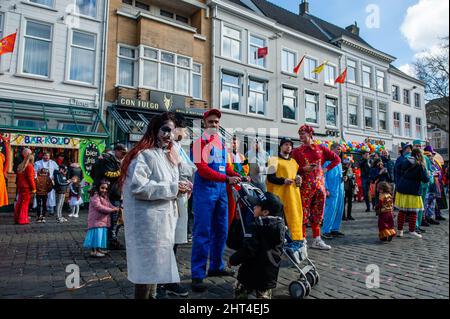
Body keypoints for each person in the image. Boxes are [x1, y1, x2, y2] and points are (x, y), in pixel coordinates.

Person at [120, 112, 188, 300]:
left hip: (163, 221)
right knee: (146, 268)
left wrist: (181, 187)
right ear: (155, 129)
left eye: (172, 131)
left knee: (157, 265)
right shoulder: (144, 155)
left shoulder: (167, 156)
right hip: (148, 223)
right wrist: (174, 188)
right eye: (165, 130)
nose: (169, 135)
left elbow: (168, 183)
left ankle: (153, 295)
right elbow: (138, 187)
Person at [190, 109, 242, 293]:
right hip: (205, 192)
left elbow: (225, 167)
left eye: (216, 122)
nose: (213, 125)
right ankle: (197, 274)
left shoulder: (221, 144)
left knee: (221, 230)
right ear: (204, 123)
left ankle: (216, 266)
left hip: (220, 193)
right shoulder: (197, 143)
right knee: (202, 232)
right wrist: (227, 179)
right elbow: (203, 170)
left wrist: (238, 175)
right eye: (210, 121)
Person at [228, 192, 285, 299]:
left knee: (240, 292)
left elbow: (248, 250)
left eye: (257, 206)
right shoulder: (280, 226)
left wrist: (233, 259)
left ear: (265, 212)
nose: (254, 207)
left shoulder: (254, 227)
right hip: (268, 275)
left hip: (249, 273)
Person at [291, 125, 340, 251]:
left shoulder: (321, 148)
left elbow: (337, 159)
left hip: (319, 186)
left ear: (310, 134)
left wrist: (326, 169)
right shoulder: (296, 151)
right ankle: (302, 240)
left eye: (303, 133)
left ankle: (317, 239)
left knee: (317, 213)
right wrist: (303, 169)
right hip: (305, 187)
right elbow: (291, 168)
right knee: (303, 213)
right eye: (300, 133)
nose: (301, 136)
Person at [164, 113, 196, 298]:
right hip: (172, 199)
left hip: (180, 197)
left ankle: (169, 279)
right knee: (168, 242)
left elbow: (187, 168)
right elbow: (181, 169)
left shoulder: (178, 146)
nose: (186, 133)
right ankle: (164, 282)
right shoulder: (170, 147)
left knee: (174, 241)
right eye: (184, 129)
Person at [266, 137, 305, 263]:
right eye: (286, 144)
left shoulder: (294, 162)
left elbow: (296, 177)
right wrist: (283, 180)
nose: (288, 147)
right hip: (278, 197)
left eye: (290, 145)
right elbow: (270, 178)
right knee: (279, 222)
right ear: (281, 146)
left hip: (293, 197)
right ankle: (275, 248)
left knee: (293, 221)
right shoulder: (273, 160)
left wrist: (299, 179)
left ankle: (293, 245)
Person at [93, 144, 127, 250]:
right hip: (112, 193)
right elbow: (108, 174)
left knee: (117, 218)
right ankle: (110, 240)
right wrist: (122, 171)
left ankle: (111, 239)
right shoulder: (107, 159)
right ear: (116, 151)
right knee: (113, 218)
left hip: (117, 192)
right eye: (123, 153)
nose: (124, 155)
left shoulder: (115, 160)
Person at [395, 148, 429, 239]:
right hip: (413, 189)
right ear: (419, 155)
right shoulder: (420, 165)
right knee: (414, 211)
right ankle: (412, 230)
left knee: (402, 210)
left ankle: (399, 231)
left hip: (402, 187)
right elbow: (425, 179)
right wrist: (428, 174)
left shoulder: (405, 161)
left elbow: (397, 170)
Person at [83, 180, 120, 258]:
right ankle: (94, 251)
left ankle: (99, 249)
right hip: (96, 220)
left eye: (106, 189)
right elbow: (99, 207)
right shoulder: (95, 196)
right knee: (96, 236)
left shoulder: (105, 196)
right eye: (102, 188)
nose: (104, 190)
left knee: (101, 236)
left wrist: (115, 208)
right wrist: (112, 210)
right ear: (97, 188)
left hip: (102, 220)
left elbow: (109, 204)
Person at [322, 143, 345, 239]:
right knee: (330, 210)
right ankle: (326, 230)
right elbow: (323, 176)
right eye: (338, 149)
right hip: (331, 189)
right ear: (331, 149)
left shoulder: (339, 162)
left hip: (340, 188)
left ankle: (334, 229)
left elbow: (339, 174)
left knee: (339, 209)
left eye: (340, 149)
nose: (339, 151)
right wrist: (326, 188)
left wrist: (345, 177)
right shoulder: (327, 161)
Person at [227, 136, 250, 228]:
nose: (233, 144)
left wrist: (245, 177)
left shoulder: (242, 156)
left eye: (235, 142)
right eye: (232, 142)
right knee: (230, 210)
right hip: (229, 185)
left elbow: (245, 170)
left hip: (240, 186)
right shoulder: (226, 154)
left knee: (240, 210)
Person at [14, 152, 36, 225]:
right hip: (26, 187)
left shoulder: (21, 165)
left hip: (20, 187)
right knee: (24, 204)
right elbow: (30, 178)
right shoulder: (29, 166)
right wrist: (34, 188)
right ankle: (23, 220)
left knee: (19, 203)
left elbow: (17, 178)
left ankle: (17, 219)